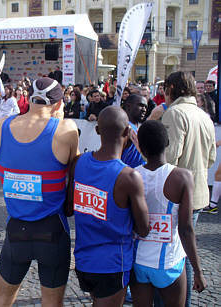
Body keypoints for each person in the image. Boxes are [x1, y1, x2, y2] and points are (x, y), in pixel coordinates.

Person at [0, 77, 79, 307]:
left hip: (16, 228)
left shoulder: (3, 126)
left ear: (28, 98)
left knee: (2, 296)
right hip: (52, 229)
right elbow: (75, 168)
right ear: (59, 104)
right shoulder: (66, 129)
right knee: (51, 302)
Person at [67, 106, 149, 307]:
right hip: (113, 264)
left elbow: (68, 209)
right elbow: (143, 229)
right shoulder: (129, 176)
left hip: (84, 259)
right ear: (128, 133)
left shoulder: (79, 162)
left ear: (96, 130)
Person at [131, 120, 207, 306]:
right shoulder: (182, 177)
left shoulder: (131, 175)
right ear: (167, 143)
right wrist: (197, 271)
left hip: (138, 261)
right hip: (169, 263)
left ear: (140, 146)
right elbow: (186, 228)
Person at [161, 71, 216, 307]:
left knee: (177, 255)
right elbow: (211, 158)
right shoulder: (203, 115)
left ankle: (179, 301)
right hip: (199, 191)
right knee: (184, 249)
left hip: (177, 195)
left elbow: (168, 158)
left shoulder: (175, 113)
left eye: (164, 89)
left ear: (171, 88)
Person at [122, 94, 147, 168]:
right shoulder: (123, 128)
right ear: (128, 106)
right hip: (127, 176)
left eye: (146, 107)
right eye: (141, 105)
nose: (144, 109)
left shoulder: (141, 127)